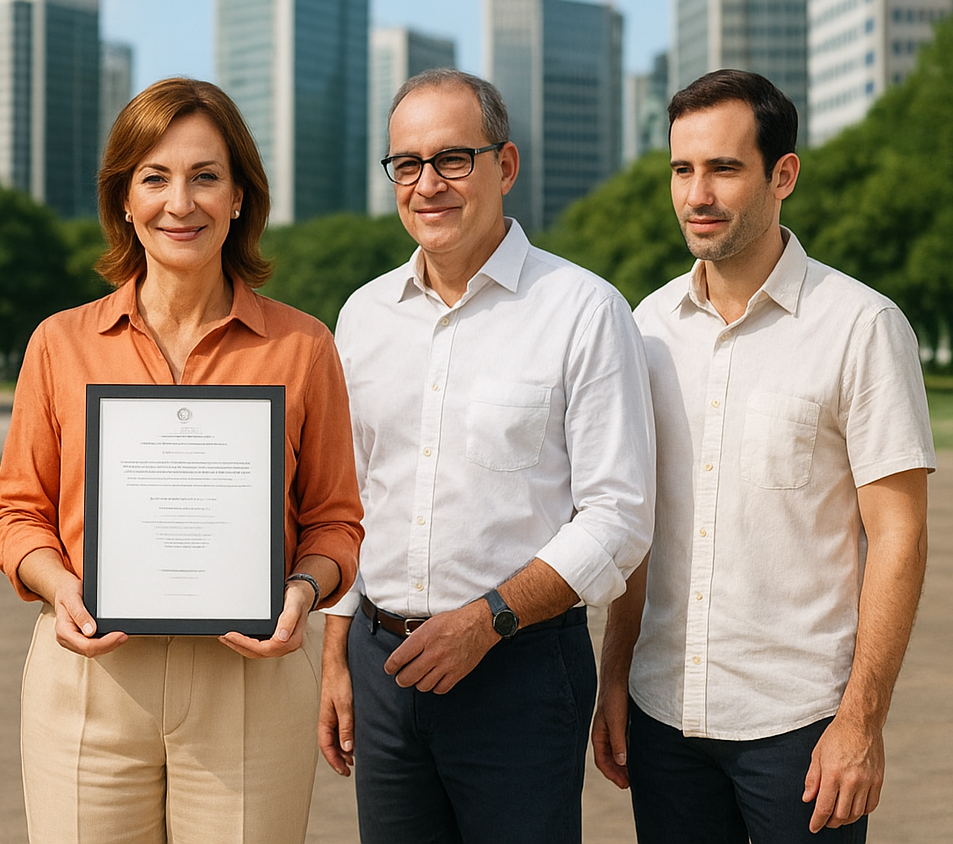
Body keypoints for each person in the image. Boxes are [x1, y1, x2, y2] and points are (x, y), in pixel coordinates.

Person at [0, 76, 364, 844]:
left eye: (205, 177)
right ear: (124, 200)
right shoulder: (59, 343)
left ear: (239, 197)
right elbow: (16, 514)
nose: (179, 203)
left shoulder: (304, 346)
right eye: (154, 178)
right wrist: (57, 586)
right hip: (91, 676)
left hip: (251, 681)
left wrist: (301, 590)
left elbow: (336, 524)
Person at [590, 69, 935, 843]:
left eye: (724, 168)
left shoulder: (862, 327)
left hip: (804, 727)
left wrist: (862, 722)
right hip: (663, 716)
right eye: (682, 169)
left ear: (783, 175)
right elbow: (634, 524)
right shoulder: (646, 330)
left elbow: (901, 536)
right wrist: (614, 676)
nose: (697, 194)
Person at [319, 68, 656, 843]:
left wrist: (487, 620)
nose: (427, 184)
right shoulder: (363, 316)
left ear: (505, 166)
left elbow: (619, 514)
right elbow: (349, 499)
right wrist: (336, 655)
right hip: (382, 662)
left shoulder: (583, 310)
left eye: (453, 159)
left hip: (520, 670)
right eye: (407, 163)